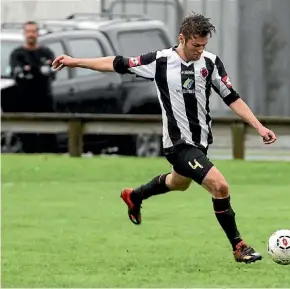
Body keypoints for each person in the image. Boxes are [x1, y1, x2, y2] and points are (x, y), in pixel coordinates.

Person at [52, 13, 277, 264]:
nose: (200, 51)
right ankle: (239, 245)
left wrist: (259, 127)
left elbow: (232, 97)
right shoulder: (160, 61)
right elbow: (116, 63)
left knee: (178, 183)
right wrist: (74, 62)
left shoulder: (211, 63)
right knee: (220, 187)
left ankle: (134, 195)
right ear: (182, 39)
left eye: (204, 45)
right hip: (177, 144)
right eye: (195, 46)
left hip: (200, 142)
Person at [9, 21, 57, 153]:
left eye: (33, 31)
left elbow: (52, 72)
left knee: (48, 137)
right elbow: (18, 74)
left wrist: (35, 71)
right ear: (24, 33)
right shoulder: (17, 54)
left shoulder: (46, 53)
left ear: (38, 33)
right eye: (28, 31)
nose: (31, 35)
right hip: (24, 101)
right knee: (27, 138)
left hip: (44, 101)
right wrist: (31, 71)